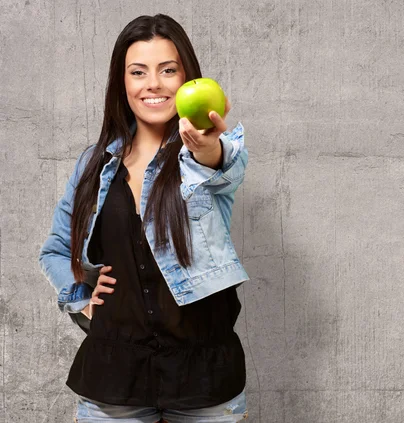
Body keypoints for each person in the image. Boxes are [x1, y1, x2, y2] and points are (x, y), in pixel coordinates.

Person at [38, 13, 249, 423]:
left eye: (168, 70)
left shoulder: (206, 157)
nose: (153, 83)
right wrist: (82, 300)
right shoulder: (93, 165)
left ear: (187, 79)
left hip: (204, 380)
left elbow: (223, 166)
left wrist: (207, 146)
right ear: (123, 83)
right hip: (113, 381)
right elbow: (55, 250)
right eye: (139, 72)